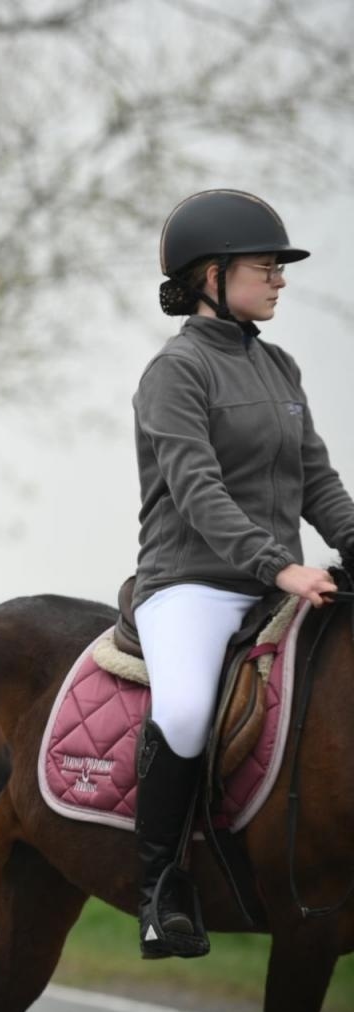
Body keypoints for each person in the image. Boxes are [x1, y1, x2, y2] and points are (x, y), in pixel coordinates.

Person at [132, 190, 354, 959]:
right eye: (267, 267)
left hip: (273, 583)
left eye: (278, 268)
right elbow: (198, 492)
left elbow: (316, 479)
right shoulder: (175, 371)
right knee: (188, 707)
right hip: (190, 583)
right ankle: (160, 887)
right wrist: (280, 565)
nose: (280, 279)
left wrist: (351, 538)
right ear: (212, 275)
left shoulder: (279, 365)